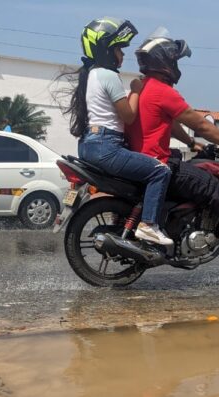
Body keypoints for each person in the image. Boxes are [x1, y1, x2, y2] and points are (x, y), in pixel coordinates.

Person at [127, 29, 219, 248]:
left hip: (141, 161)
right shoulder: (163, 91)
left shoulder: (143, 88)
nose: (176, 66)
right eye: (175, 61)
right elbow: (199, 124)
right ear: (165, 61)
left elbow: (169, 124)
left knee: (189, 169)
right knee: (209, 184)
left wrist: (191, 143)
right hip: (155, 161)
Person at [63, 18, 174, 246]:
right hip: (107, 146)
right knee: (160, 172)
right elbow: (129, 116)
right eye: (119, 49)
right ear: (106, 50)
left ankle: (123, 220)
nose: (123, 55)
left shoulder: (91, 74)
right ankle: (148, 225)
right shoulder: (109, 76)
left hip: (90, 145)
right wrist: (135, 90)